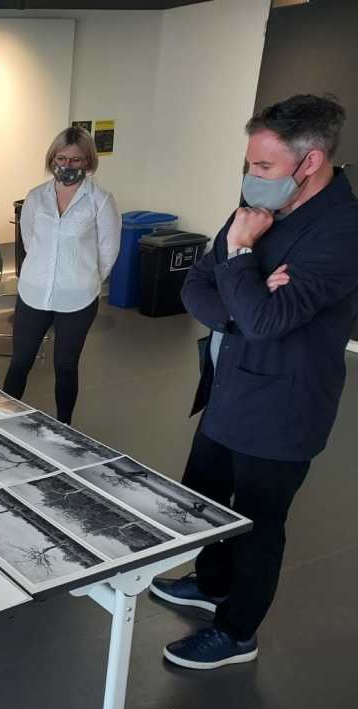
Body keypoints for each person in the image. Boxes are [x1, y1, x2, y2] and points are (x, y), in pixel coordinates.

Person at [152, 95, 358, 669]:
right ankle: (212, 582)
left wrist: (240, 254)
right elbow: (196, 284)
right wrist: (245, 303)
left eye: (264, 166)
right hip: (227, 389)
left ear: (310, 162)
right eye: (251, 165)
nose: (252, 177)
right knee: (207, 500)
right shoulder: (256, 204)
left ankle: (237, 632)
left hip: (283, 407)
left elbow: (269, 320)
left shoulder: (342, 230)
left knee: (258, 522)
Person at [2, 127, 120, 424]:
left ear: (88, 161)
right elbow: (30, 240)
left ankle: (64, 426)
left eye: (76, 160)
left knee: (66, 367)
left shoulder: (101, 201)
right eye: (61, 158)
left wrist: (85, 278)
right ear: (52, 158)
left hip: (78, 298)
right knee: (20, 361)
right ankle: (1, 421)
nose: (67, 165)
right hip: (33, 292)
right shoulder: (36, 197)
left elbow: (108, 251)